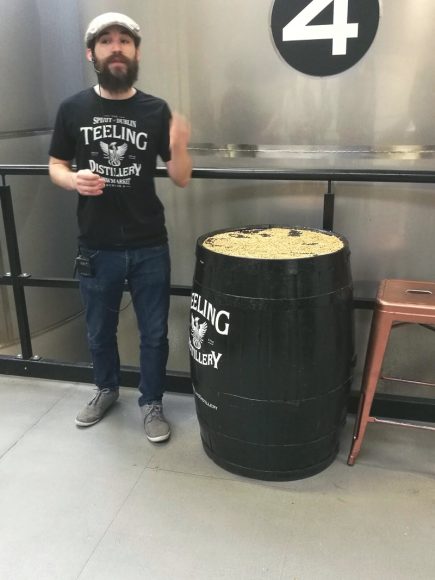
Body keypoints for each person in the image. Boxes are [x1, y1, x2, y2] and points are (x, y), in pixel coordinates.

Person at [48, 12, 192, 442]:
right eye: (106, 41)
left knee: (154, 333)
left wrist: (180, 144)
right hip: (96, 243)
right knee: (98, 329)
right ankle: (106, 389)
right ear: (91, 54)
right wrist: (73, 179)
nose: (116, 47)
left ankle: (152, 402)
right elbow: (56, 165)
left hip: (149, 243)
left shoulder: (155, 109)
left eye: (124, 41)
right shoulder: (72, 108)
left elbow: (181, 177)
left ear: (136, 53)